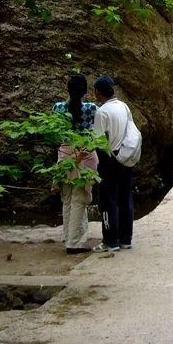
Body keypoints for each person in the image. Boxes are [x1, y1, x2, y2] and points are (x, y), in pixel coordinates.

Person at [52, 75, 99, 254]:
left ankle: (68, 237)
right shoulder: (91, 109)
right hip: (85, 154)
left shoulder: (58, 108)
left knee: (67, 199)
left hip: (64, 154)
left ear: (68, 90)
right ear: (85, 91)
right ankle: (74, 242)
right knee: (80, 198)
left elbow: (56, 135)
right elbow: (98, 132)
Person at [92, 75, 135, 252]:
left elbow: (98, 140)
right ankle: (126, 238)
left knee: (108, 200)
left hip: (109, 160)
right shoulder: (123, 107)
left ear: (98, 92)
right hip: (126, 157)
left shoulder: (102, 112)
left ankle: (110, 240)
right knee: (125, 198)